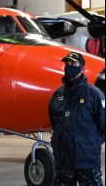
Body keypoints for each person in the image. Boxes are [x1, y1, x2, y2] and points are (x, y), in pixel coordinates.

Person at [48, 51, 105, 185]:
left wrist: (89, 145)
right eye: (67, 64)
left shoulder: (94, 95)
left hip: (87, 162)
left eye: (74, 64)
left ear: (82, 69)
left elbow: (104, 126)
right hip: (64, 161)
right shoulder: (58, 94)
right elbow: (54, 121)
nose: (69, 67)